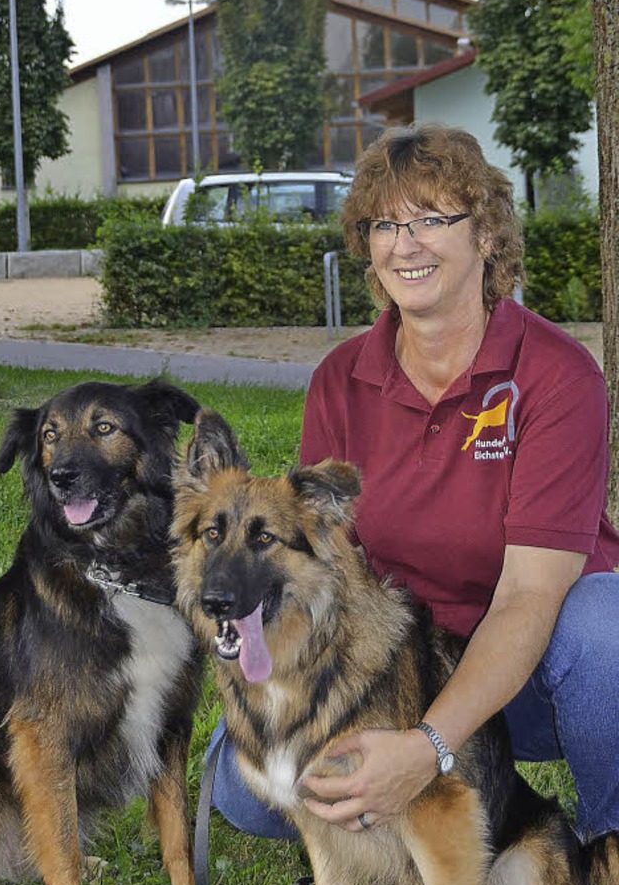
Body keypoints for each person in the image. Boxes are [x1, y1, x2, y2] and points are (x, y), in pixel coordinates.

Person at [209, 123, 619, 848]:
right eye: (386, 224)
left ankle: (607, 843)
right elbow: (328, 564)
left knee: (605, 626)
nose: (407, 243)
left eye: (433, 218)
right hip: (403, 660)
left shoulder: (557, 375)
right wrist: (318, 703)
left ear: (487, 234)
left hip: (541, 675)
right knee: (242, 797)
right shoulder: (340, 379)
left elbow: (529, 595)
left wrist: (427, 745)